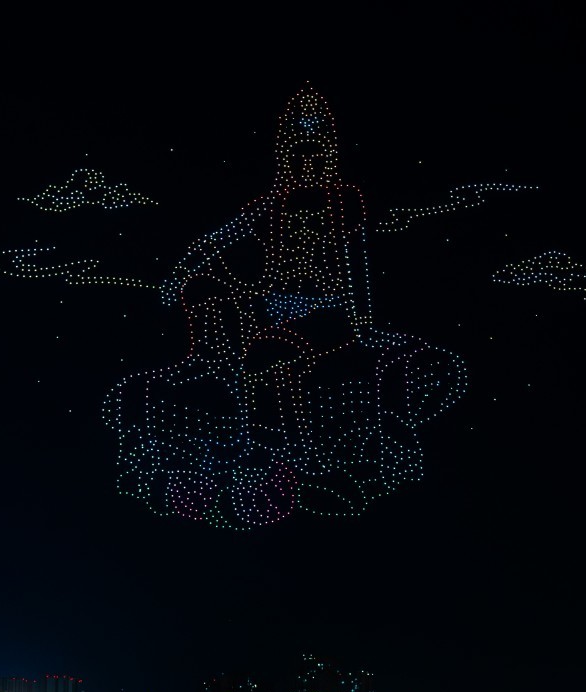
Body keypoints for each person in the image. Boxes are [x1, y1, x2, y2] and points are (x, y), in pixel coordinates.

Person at [104, 88, 465, 528]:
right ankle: (209, 373)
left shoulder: (343, 201)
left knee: (267, 352)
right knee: (207, 295)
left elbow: (355, 267)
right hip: (270, 307)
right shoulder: (270, 205)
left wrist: (363, 325)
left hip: (326, 314)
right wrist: (182, 276)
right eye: (298, 155)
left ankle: (285, 448)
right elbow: (218, 239)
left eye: (315, 154)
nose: (307, 164)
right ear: (286, 157)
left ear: (327, 154)